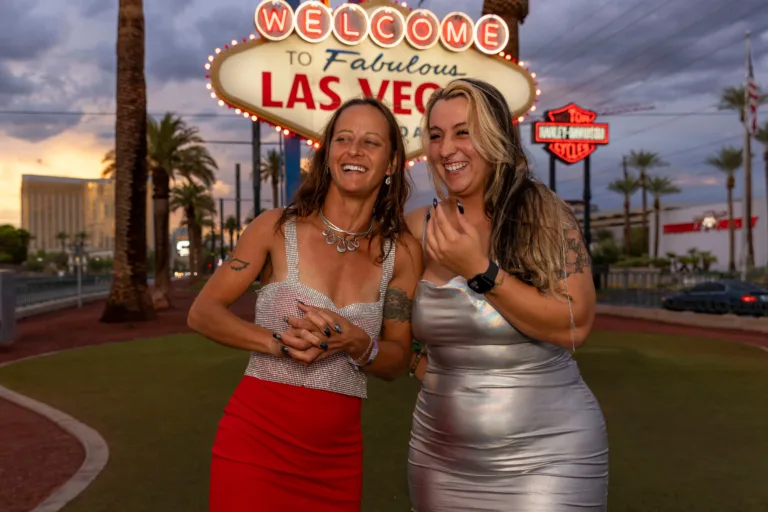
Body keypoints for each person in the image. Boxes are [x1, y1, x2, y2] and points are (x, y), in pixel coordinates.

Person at [188, 97, 422, 512]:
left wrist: (358, 344)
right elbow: (203, 312)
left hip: (337, 460)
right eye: (343, 139)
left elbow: (398, 359)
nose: (354, 151)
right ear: (328, 152)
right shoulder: (276, 227)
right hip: (254, 445)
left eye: (370, 142)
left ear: (390, 163)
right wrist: (280, 343)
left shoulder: (400, 252)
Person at [405, 78, 609, 511]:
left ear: (495, 136)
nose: (447, 150)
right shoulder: (419, 227)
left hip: (550, 456)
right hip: (440, 457)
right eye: (436, 136)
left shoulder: (544, 214)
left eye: (464, 132)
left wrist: (478, 269)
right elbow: (386, 319)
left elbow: (575, 327)